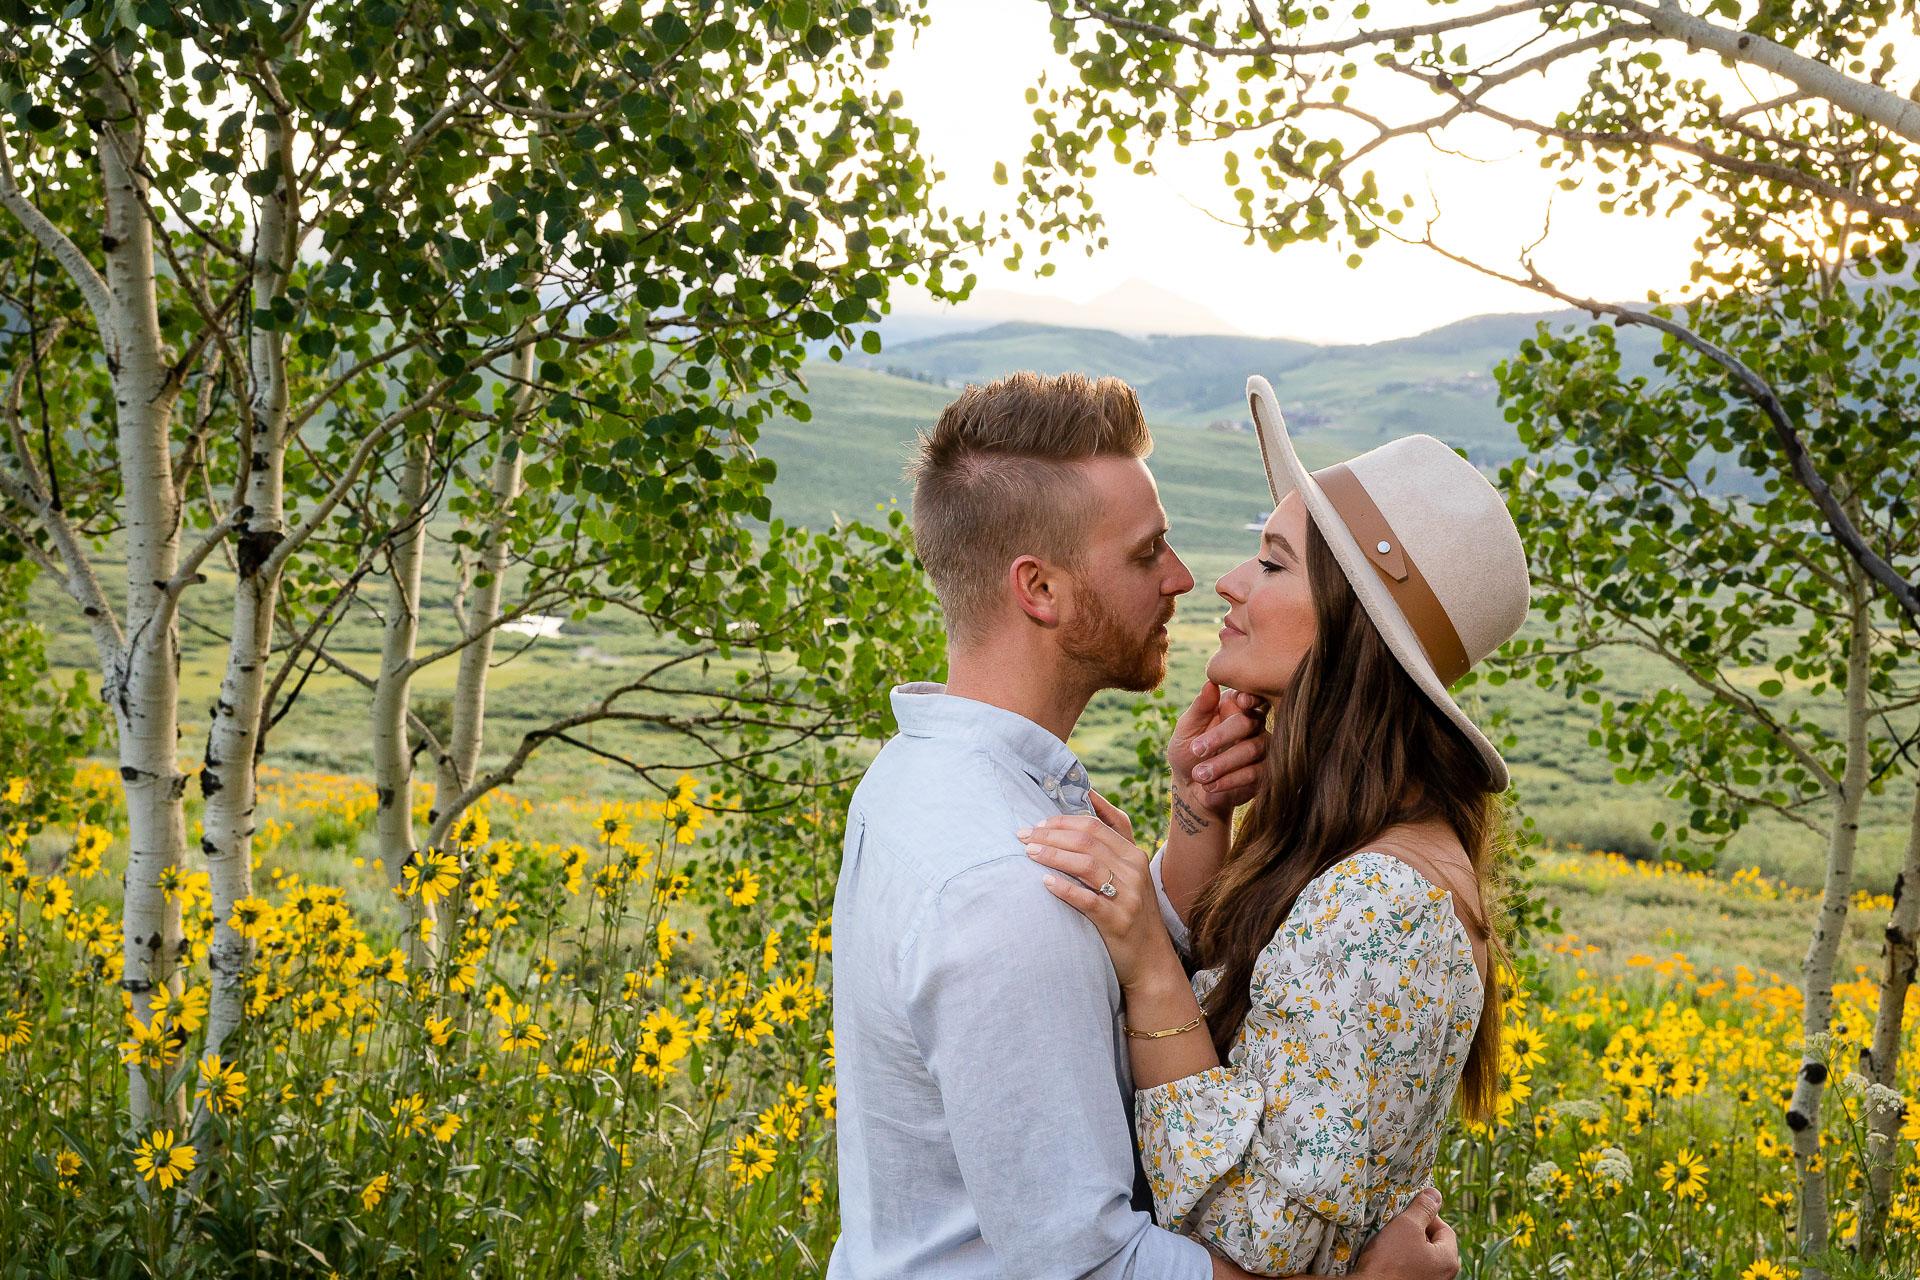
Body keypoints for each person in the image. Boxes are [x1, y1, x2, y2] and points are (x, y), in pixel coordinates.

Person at [827, 371, 1462, 1280]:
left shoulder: (924, 777)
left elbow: (1088, 982)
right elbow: (1091, 1270)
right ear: (1040, 589)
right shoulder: (1005, 886)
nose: (1186, 577)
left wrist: (1197, 815)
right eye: (1145, 552)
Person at [1021, 374, 1530, 1275]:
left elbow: (1261, 1238)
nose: (1225, 581)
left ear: (1350, 630)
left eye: (1272, 561)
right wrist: (1199, 814)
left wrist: (1143, 954)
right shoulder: (1350, 855)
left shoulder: (1382, 905)